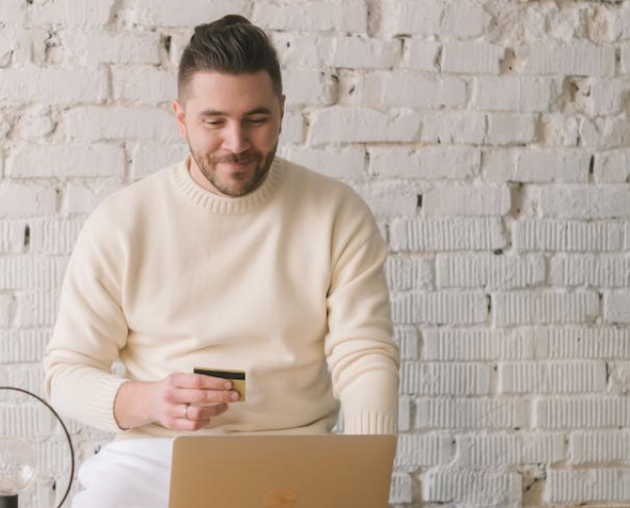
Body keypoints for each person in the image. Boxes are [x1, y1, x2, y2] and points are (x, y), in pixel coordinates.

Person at [43, 14, 398, 507]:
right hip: (158, 455)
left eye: (256, 119)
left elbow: (365, 357)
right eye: (214, 122)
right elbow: (67, 371)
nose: (236, 144)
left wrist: (365, 478)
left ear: (282, 111)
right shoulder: (123, 222)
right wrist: (147, 399)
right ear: (181, 117)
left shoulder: (337, 213)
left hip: (296, 453)